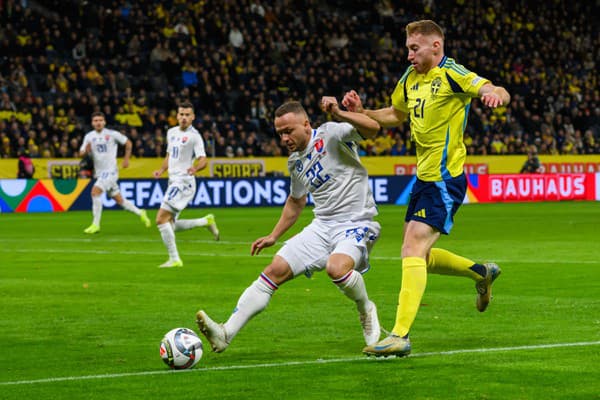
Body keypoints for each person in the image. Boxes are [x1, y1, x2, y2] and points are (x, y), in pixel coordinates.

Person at [342, 20, 511, 357]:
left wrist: (494, 95)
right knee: (418, 252)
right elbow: (394, 114)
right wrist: (361, 111)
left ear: (436, 46)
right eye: (407, 49)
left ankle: (400, 335)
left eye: (414, 49)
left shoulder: (453, 73)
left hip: (446, 179)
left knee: (412, 247)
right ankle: (481, 272)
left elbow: (496, 89)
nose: (409, 55)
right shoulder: (409, 79)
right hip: (423, 178)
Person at [195, 99, 383, 353]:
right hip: (322, 226)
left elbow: (373, 128)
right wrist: (274, 235)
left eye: (288, 131)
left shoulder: (331, 133)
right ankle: (225, 332)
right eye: (280, 133)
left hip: (355, 222)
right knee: (274, 269)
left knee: (336, 268)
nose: (284, 138)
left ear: (306, 125)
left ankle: (365, 308)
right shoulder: (295, 161)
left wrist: (339, 112)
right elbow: (296, 201)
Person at [153, 101, 220, 268]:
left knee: (161, 219)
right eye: (181, 114)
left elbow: (203, 159)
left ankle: (174, 259)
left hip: (184, 182)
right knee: (170, 225)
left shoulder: (194, 136)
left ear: (193, 117)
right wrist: (161, 170)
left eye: (187, 115)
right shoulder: (171, 132)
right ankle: (205, 221)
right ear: (177, 116)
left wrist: (195, 168)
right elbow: (169, 156)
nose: (183, 118)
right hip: (173, 180)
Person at [79, 111, 151, 234]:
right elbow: (81, 153)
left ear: (104, 122)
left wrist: (126, 159)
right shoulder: (89, 136)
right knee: (119, 200)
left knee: (95, 192)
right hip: (100, 173)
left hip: (111, 171)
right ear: (92, 123)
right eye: (95, 120)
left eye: (100, 120)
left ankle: (95, 225)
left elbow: (128, 143)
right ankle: (140, 212)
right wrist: (86, 151)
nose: (98, 123)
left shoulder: (112, 134)